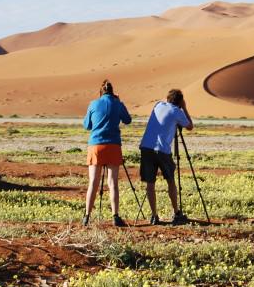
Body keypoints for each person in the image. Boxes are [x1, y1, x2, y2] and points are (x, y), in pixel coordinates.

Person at [139, 88, 193, 225]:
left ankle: (154, 216)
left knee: (150, 183)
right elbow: (190, 126)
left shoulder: (158, 105)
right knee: (170, 180)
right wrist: (184, 108)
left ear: (167, 98)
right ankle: (176, 213)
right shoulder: (177, 112)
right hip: (162, 150)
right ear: (180, 101)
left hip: (146, 147)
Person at [82, 79, 131, 227]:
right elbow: (127, 120)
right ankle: (115, 216)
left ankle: (87, 216)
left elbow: (86, 125)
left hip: (96, 145)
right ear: (112, 92)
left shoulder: (93, 104)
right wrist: (119, 102)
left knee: (93, 182)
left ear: (101, 92)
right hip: (113, 145)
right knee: (113, 183)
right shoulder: (118, 104)